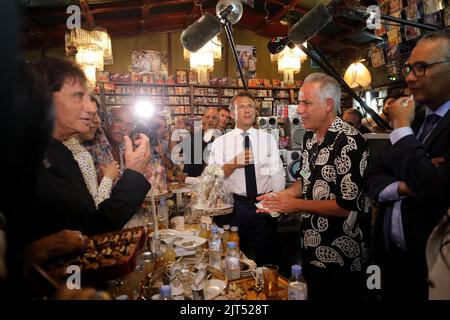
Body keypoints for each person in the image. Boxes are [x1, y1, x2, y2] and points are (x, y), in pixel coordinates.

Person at [257, 73, 369, 300]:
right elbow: (306, 179)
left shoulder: (350, 141)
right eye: (299, 102)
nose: (298, 109)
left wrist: (295, 205)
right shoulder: (309, 138)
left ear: (328, 105)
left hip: (341, 254)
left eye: (306, 103)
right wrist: (280, 197)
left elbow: (346, 206)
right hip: (310, 246)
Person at [24, 57, 151, 243]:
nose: (91, 108)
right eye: (78, 96)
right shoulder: (33, 156)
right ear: (44, 99)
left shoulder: (60, 150)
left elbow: (88, 219)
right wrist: (134, 173)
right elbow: (92, 229)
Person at [366, 29, 450, 300]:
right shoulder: (416, 120)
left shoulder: (406, 123)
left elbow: (434, 188)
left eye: (421, 68)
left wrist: (400, 128)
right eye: (409, 68)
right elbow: (372, 176)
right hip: (392, 260)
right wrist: (403, 186)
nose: (410, 77)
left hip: (434, 270)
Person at [209, 92, 285, 266]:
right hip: (235, 209)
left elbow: (277, 173)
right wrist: (232, 164)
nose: (247, 110)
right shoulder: (220, 143)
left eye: (250, 106)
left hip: (263, 206)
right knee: (234, 259)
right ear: (232, 114)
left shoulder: (268, 139)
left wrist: (276, 204)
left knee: (266, 260)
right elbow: (213, 179)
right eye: (241, 106)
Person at [63, 96, 119, 207]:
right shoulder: (80, 154)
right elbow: (95, 207)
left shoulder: (62, 146)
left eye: (97, 114)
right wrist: (108, 177)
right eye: (89, 115)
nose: (97, 121)